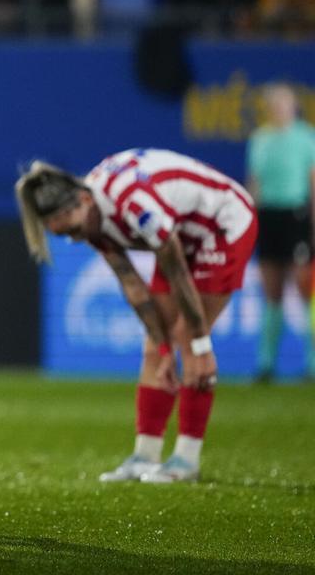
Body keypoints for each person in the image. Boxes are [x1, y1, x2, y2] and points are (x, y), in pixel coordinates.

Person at [16, 149, 259, 483]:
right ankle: (145, 456)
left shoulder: (134, 204)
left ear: (85, 200)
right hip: (179, 232)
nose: (75, 238)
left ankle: (186, 461)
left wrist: (201, 345)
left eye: (73, 230)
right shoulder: (89, 216)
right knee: (154, 343)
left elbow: (176, 269)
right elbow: (131, 282)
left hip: (223, 224)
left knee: (189, 336)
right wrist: (162, 349)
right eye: (64, 235)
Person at [247, 84, 315, 380]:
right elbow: (254, 182)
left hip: (296, 215)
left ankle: (312, 362)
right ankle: (266, 363)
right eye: (274, 105)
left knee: (305, 288)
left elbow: (313, 182)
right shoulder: (260, 139)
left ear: (293, 107)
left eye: (284, 105)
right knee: (271, 291)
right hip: (268, 216)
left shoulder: (305, 138)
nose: (279, 110)